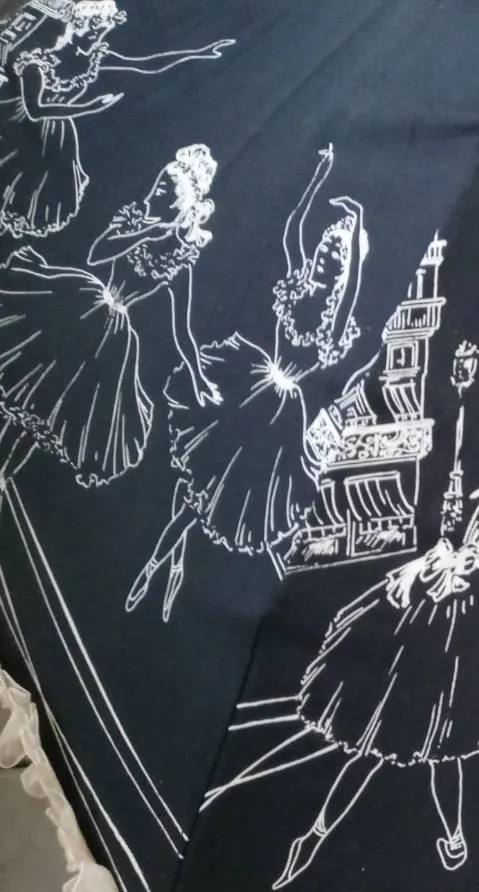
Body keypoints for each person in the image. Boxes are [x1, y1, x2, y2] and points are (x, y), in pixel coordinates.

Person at [273, 395, 479, 888]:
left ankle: (323, 835)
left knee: (402, 738)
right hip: (463, 611)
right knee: (435, 737)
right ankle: (440, 839)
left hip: (447, 602)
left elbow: (476, 545)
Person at [126, 146, 368, 621]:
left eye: (335, 255)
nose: (325, 253)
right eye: (326, 246)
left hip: (276, 415)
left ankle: (160, 564)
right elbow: (294, 226)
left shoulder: (333, 323)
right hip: (247, 381)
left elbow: (354, 283)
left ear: (342, 271)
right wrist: (317, 177)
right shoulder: (298, 284)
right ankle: (167, 564)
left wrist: (356, 227)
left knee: (206, 494)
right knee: (199, 478)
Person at [0, 144, 219, 488]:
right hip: (82, 302)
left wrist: (198, 376)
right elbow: (96, 254)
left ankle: (4, 475)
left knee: (50, 407)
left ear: (179, 204)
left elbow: (182, 330)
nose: (154, 191)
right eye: (158, 183)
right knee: (28, 376)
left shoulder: (179, 259)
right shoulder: (135, 221)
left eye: (164, 190)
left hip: (110, 339)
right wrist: (146, 232)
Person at [0, 2, 231, 240]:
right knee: (14, 175)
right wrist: (89, 107)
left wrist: (197, 53)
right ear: (78, 27)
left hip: (57, 138)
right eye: (95, 31)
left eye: (103, 32)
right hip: (19, 123)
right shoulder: (42, 60)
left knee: (36, 193)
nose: (99, 37)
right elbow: (35, 110)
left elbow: (144, 65)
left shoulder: (92, 59)